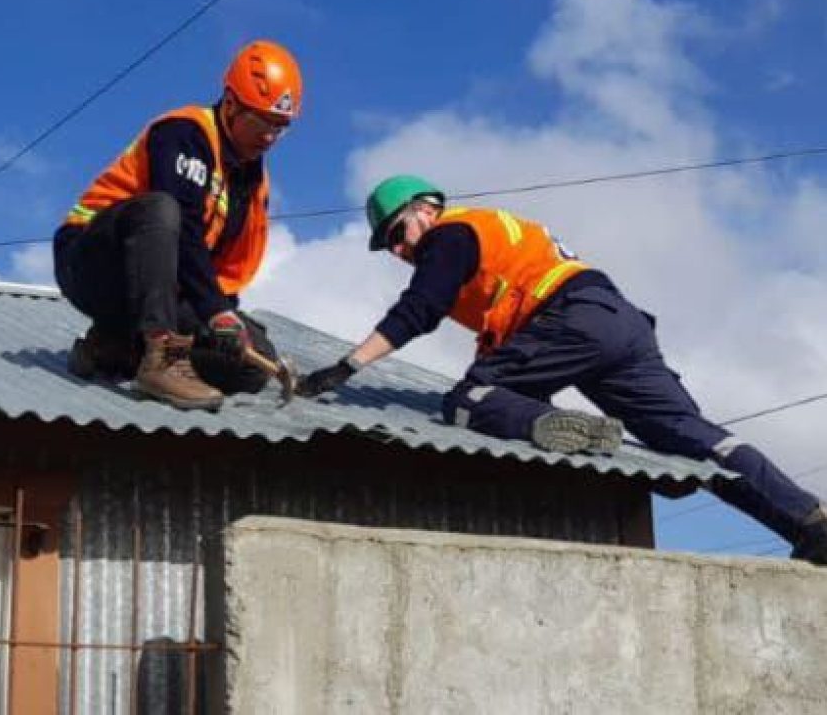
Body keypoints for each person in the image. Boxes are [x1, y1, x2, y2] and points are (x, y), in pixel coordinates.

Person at [297, 174, 827, 564]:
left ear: (427, 209)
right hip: (620, 322)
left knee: (467, 401)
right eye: (389, 245)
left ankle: (558, 429)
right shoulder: (500, 245)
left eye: (398, 232)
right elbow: (505, 348)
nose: (400, 249)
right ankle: (808, 524)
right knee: (695, 439)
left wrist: (345, 367)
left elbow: (420, 308)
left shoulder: (451, 236)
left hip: (572, 318)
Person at [53, 39, 302, 411]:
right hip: (95, 264)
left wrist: (225, 318)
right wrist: (213, 310)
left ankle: (114, 348)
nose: (269, 137)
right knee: (161, 209)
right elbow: (181, 227)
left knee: (251, 362)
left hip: (161, 289)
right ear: (231, 105)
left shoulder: (252, 183)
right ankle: (161, 358)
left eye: (280, 127)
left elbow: (221, 270)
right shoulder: (183, 133)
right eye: (262, 122)